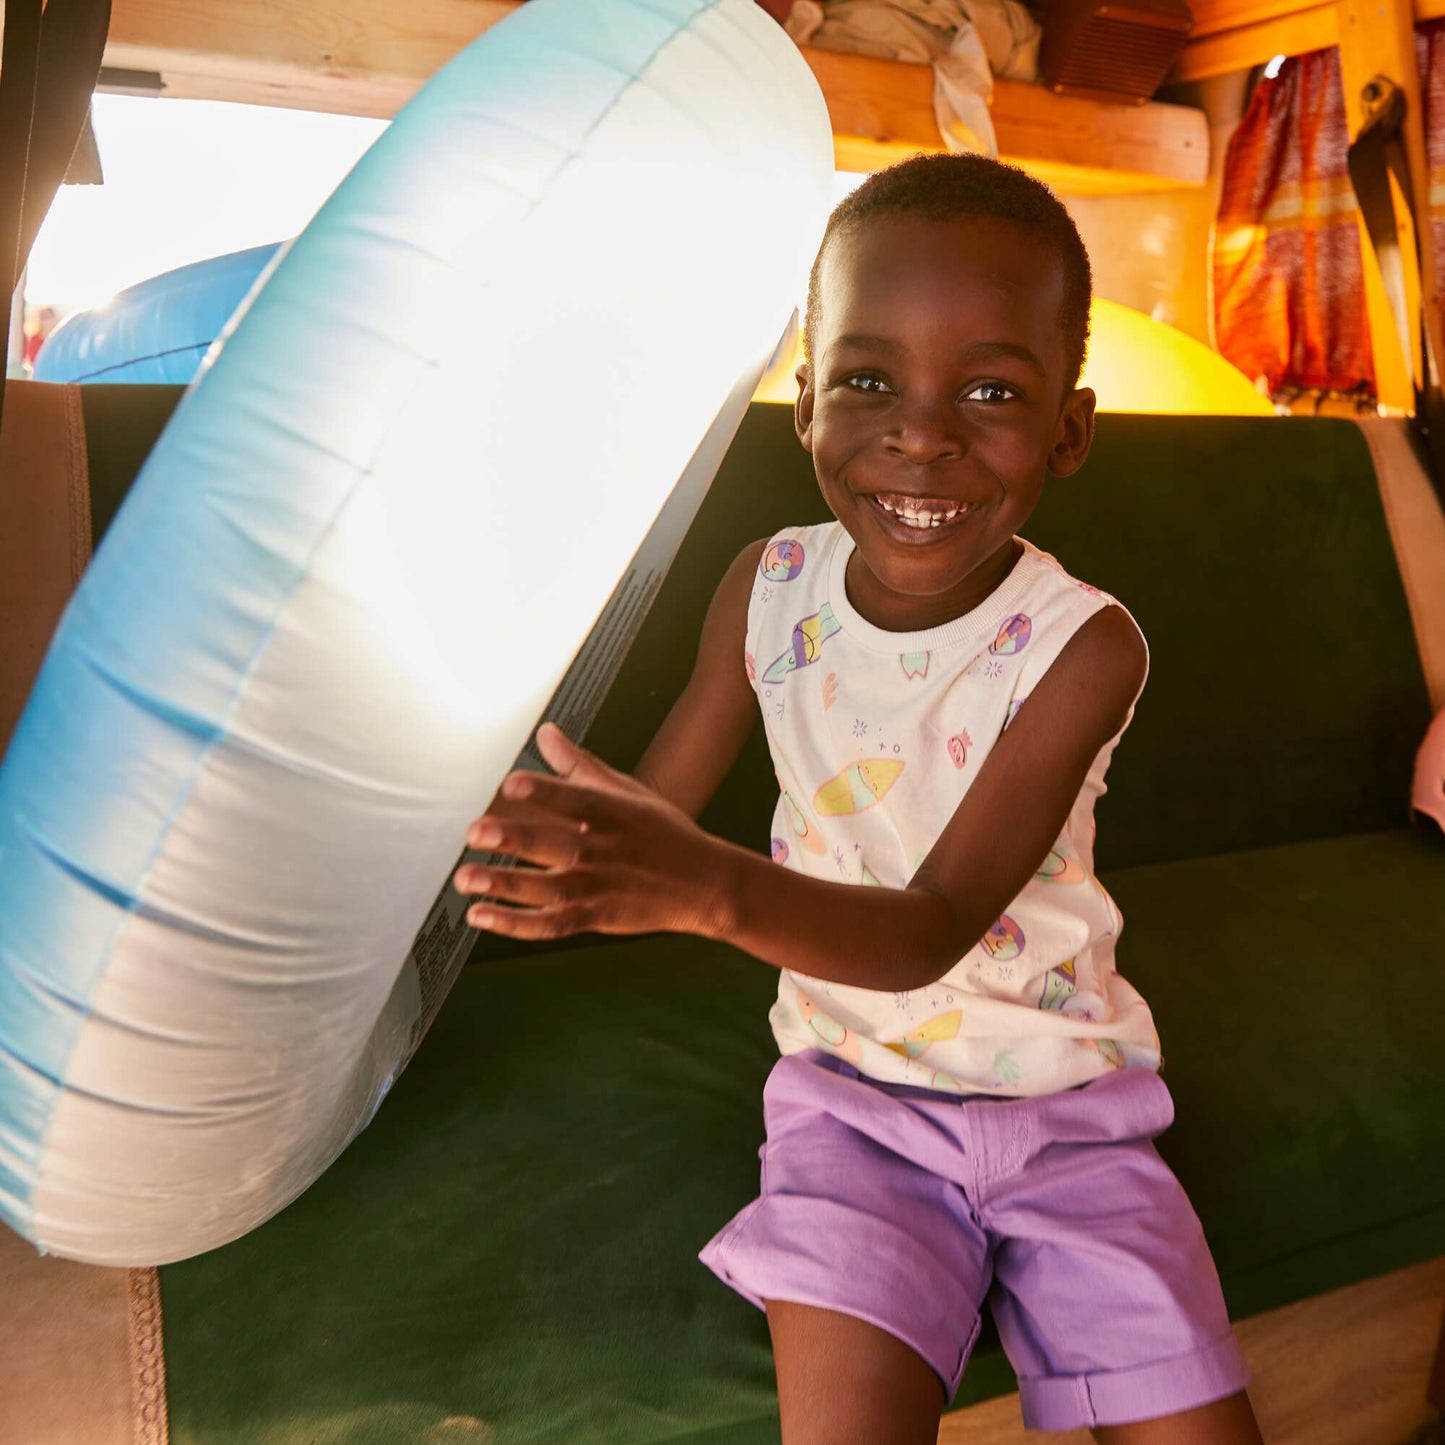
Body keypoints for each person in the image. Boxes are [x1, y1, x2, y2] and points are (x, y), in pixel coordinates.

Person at [454, 153, 1264, 1445]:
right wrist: (543, 843)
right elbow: (652, 822)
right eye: (868, 381)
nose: (922, 432)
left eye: (990, 389)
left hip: (1072, 1115)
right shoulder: (764, 586)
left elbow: (929, 921)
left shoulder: (1080, 645)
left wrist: (701, 883)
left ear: (1068, 426)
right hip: (851, 1109)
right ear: (805, 402)